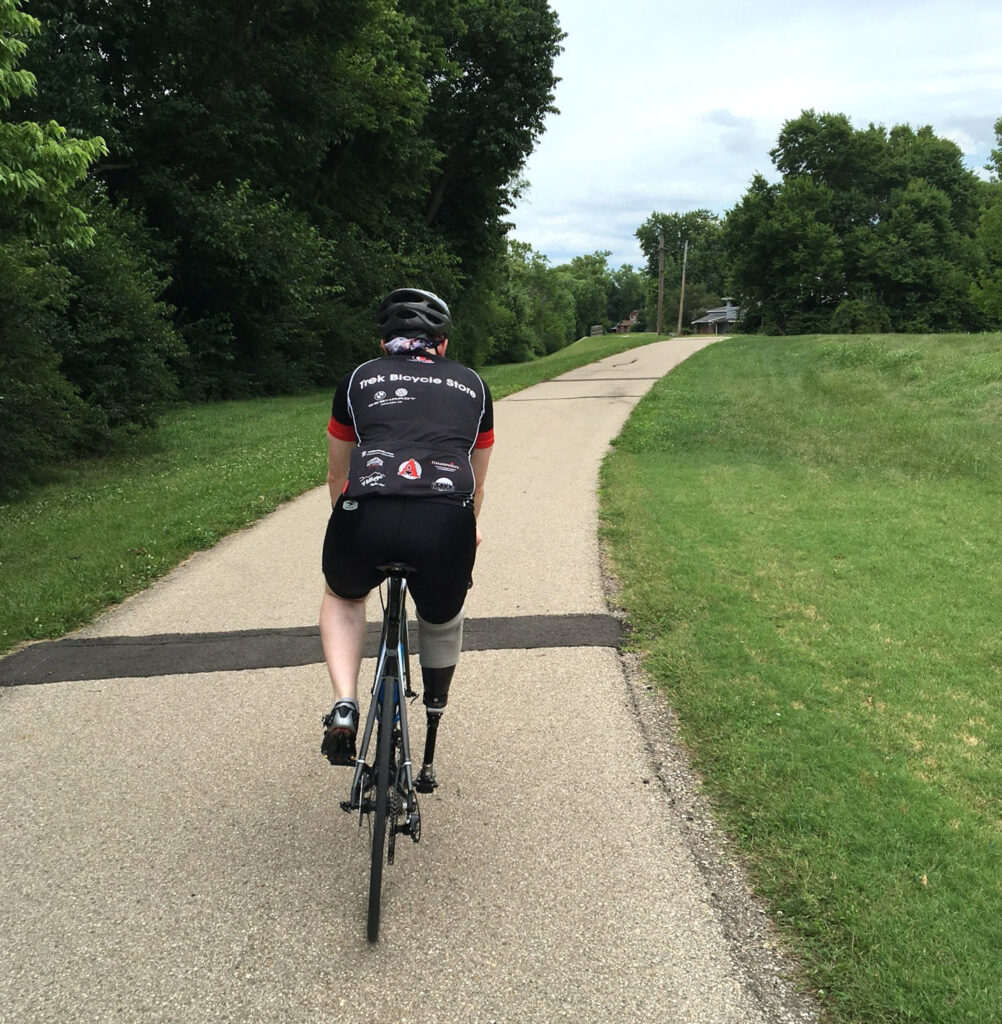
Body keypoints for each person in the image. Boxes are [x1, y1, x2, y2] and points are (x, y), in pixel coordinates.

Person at [319, 288, 494, 790]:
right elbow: (476, 482)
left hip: (364, 515)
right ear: (441, 343)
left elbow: (338, 474)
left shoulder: (358, 379)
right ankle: (434, 708)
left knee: (343, 595)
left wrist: (347, 523)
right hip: (444, 522)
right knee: (442, 616)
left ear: (384, 342)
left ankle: (346, 703)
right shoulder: (474, 387)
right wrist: (469, 528)